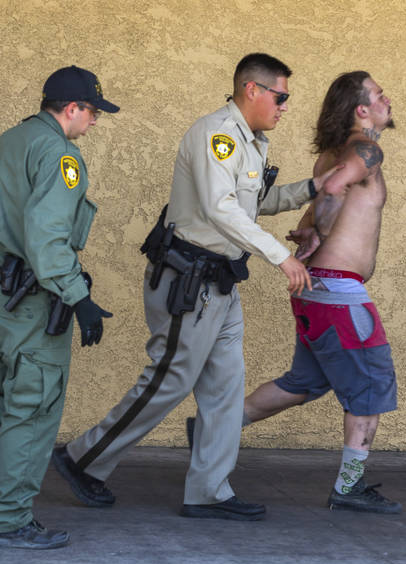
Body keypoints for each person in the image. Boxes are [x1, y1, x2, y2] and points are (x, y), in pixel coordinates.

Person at [51, 53, 337, 521]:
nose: (285, 106)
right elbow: (220, 208)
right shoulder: (218, 136)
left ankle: (209, 489)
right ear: (252, 90)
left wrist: (312, 188)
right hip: (189, 281)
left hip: (219, 284)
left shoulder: (253, 142)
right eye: (280, 96)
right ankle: (81, 457)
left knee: (226, 387)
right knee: (168, 379)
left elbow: (255, 203)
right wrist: (281, 257)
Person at [0, 65, 118, 549]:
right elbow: (47, 234)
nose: (94, 122)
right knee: (32, 412)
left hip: (0, 298)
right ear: (72, 109)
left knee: (4, 398)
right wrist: (81, 300)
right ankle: (10, 521)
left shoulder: (8, 142)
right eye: (93, 112)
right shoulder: (60, 154)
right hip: (35, 301)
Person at [223, 70, 401, 514]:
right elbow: (336, 187)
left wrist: (309, 231)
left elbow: (324, 194)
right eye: (379, 94)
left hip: (316, 292)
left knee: (304, 382)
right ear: (362, 110)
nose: (387, 99)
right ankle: (349, 487)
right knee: (371, 386)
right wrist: (317, 227)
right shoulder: (367, 149)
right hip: (340, 294)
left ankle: (213, 430)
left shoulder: (328, 154)